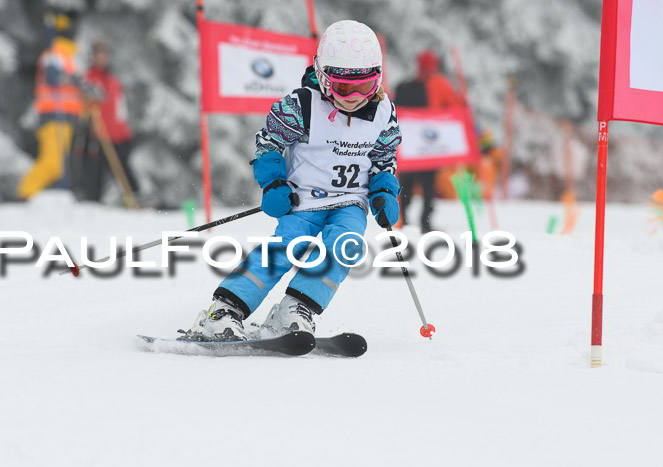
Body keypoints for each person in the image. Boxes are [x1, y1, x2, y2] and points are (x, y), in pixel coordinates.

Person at [180, 20, 402, 342]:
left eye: (364, 87)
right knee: (285, 249)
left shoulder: (384, 114)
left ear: (378, 79)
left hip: (351, 201)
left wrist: (384, 192)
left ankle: (296, 309)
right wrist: (274, 184)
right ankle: (225, 310)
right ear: (324, 77)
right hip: (304, 199)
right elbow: (268, 144)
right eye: (342, 87)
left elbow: (384, 161)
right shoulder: (303, 105)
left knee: (345, 246)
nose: (353, 97)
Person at [394, 50, 463, 233]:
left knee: (406, 184)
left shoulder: (404, 86)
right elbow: (455, 109)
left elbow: (394, 110)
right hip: (430, 147)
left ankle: (403, 219)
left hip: (408, 146)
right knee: (428, 185)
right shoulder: (441, 84)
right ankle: (425, 222)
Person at [18, 10, 82, 199]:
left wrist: (83, 87)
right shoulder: (52, 54)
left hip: (67, 115)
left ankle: (29, 194)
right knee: (52, 163)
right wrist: (67, 78)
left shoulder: (70, 57)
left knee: (59, 165)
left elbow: (73, 83)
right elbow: (52, 78)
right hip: (53, 113)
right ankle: (26, 193)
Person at [79, 39, 138, 202]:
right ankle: (91, 204)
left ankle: (136, 200)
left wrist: (125, 132)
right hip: (96, 135)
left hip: (117, 136)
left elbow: (121, 109)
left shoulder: (113, 81)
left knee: (124, 172)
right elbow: (81, 106)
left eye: (105, 55)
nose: (102, 59)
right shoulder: (88, 78)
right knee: (94, 175)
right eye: (99, 55)